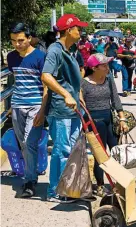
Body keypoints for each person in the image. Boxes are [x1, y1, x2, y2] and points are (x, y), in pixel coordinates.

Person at [41, 14, 89, 203]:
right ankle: (55, 191)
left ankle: (68, 187)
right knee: (61, 151)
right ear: (69, 30)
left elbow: (70, 81)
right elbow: (46, 76)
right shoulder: (55, 50)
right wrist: (65, 94)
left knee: (71, 150)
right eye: (79, 28)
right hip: (61, 110)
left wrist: (78, 95)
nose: (81, 32)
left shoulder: (70, 50)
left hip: (74, 109)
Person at [7, 23, 46, 198]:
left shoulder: (40, 57)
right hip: (17, 105)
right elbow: (15, 80)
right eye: (13, 41)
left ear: (29, 39)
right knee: (23, 143)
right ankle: (32, 171)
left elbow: (46, 85)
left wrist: (43, 110)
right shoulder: (11, 57)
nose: (17, 44)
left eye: (21, 40)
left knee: (29, 142)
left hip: (35, 105)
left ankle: (29, 181)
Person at [81, 54, 128, 197]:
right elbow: (81, 103)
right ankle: (100, 184)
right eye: (104, 65)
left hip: (108, 119)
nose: (107, 68)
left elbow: (115, 99)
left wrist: (122, 119)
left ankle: (121, 182)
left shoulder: (108, 80)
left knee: (116, 151)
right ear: (94, 68)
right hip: (93, 122)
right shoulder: (83, 83)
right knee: (99, 155)